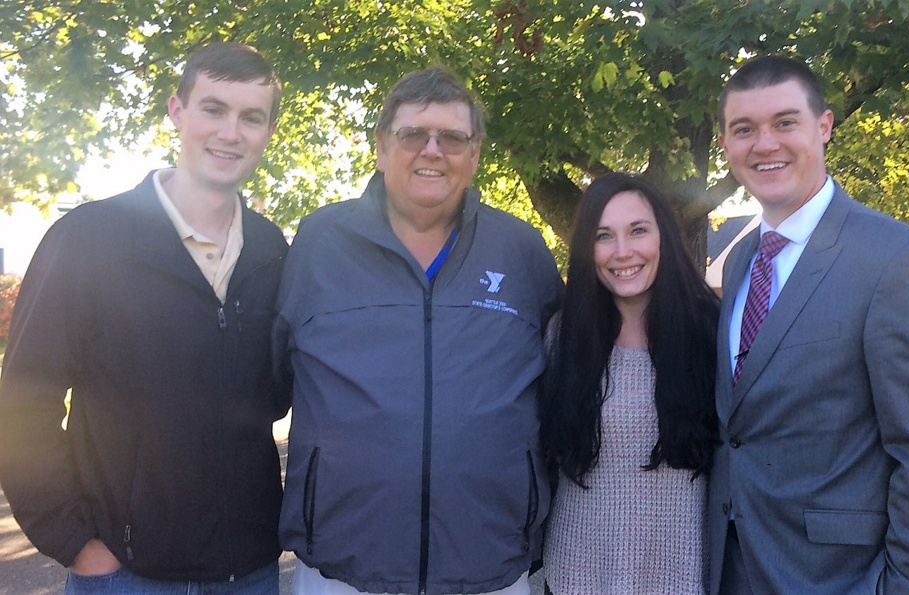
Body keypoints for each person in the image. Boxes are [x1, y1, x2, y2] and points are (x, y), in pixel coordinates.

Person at [0, 42, 289, 593]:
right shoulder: (89, 238)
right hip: (126, 572)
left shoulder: (271, 249)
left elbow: (272, 394)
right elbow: (23, 399)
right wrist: (73, 541)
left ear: (268, 130)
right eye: (213, 108)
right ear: (177, 112)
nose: (231, 132)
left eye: (251, 117)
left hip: (249, 568)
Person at [274, 68, 563, 595]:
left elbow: (566, 378)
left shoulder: (521, 250)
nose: (433, 150)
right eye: (413, 135)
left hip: (491, 566)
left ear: (474, 156)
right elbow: (266, 381)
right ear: (382, 147)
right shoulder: (319, 243)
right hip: (343, 568)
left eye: (452, 137)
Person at [710, 54, 909, 594]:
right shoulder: (741, 262)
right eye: (744, 129)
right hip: (733, 568)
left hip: (840, 579)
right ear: (725, 143)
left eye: (785, 122)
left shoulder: (893, 259)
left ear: (824, 127)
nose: (765, 144)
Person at [540, 172, 719, 594]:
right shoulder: (562, 337)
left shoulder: (712, 331)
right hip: (575, 576)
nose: (623, 252)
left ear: (664, 238)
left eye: (637, 230)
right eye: (603, 236)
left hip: (682, 578)